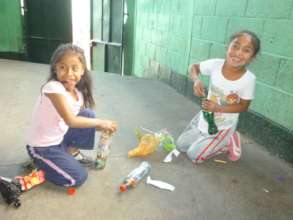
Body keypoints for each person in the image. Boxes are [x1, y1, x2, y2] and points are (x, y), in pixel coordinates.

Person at [22, 44, 117, 190]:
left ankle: (69, 152)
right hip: (42, 147)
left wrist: (106, 126)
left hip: (59, 139)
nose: (68, 73)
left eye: (74, 68)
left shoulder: (78, 94)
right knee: (78, 178)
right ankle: (41, 167)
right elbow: (71, 121)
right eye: (62, 67)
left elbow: (81, 122)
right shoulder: (53, 88)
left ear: (82, 70)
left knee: (88, 115)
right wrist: (101, 122)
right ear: (55, 69)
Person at [176, 30, 260, 164]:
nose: (238, 53)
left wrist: (218, 107)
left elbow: (243, 106)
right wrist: (196, 80)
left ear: (252, 57)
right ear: (228, 48)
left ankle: (228, 141)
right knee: (180, 145)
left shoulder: (249, 79)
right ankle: (205, 138)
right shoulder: (216, 64)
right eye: (235, 46)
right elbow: (194, 68)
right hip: (205, 119)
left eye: (246, 50)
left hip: (223, 126)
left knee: (194, 156)